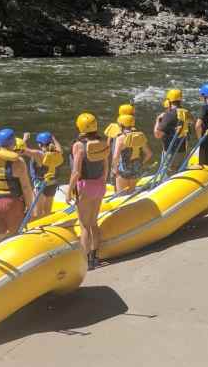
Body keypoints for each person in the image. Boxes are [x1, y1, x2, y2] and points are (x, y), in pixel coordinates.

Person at [68, 113, 110, 269]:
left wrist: (69, 191)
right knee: (93, 223)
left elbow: (76, 172)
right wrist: (102, 183)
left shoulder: (78, 145)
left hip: (84, 186)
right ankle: (95, 258)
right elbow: (106, 166)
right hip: (99, 184)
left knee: (84, 225)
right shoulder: (102, 142)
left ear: (80, 126)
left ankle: (85, 261)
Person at [22, 131, 64, 220]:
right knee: (47, 211)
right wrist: (53, 137)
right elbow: (59, 147)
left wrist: (25, 139)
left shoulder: (38, 154)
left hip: (40, 185)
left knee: (38, 212)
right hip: (52, 183)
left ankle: (38, 228)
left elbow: (22, 150)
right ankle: (47, 225)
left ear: (40, 144)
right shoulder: (57, 153)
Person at [111, 114, 152, 193]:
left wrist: (114, 169)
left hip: (123, 170)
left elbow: (115, 157)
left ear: (121, 125)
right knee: (131, 193)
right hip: (136, 168)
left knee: (121, 196)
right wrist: (141, 163)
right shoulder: (140, 135)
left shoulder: (121, 138)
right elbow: (149, 153)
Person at [154, 89, 191, 171]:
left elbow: (157, 134)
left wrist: (157, 121)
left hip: (170, 153)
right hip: (182, 151)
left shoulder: (169, 115)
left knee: (167, 175)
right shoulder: (185, 113)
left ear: (169, 100)